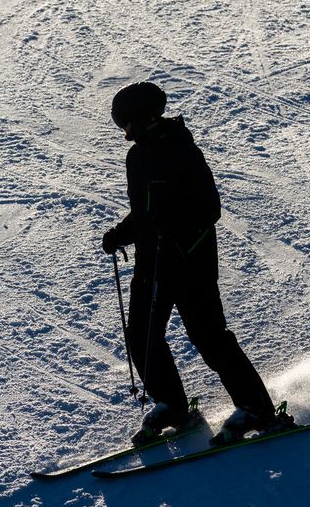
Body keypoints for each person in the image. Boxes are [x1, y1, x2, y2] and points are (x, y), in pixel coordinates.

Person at [102, 81, 294, 446]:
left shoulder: (182, 151)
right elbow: (145, 213)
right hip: (151, 264)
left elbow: (209, 209)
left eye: (129, 125)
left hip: (190, 262)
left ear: (148, 118)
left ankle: (257, 410)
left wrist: (173, 227)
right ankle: (173, 407)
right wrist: (121, 234)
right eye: (122, 127)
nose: (127, 134)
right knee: (141, 336)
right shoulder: (137, 158)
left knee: (209, 338)